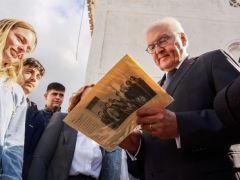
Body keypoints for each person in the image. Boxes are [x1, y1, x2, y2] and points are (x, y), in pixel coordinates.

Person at [120, 17, 240, 180]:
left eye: (163, 40)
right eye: (152, 47)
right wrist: (135, 147)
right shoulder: (149, 92)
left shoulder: (211, 61)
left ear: (182, 39)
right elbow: (147, 162)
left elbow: (235, 112)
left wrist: (181, 125)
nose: (158, 49)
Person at [28, 84, 129, 180]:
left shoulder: (104, 133)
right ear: (79, 101)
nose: (94, 99)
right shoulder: (61, 119)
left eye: (98, 97)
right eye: (89, 95)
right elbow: (40, 159)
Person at [0, 19, 37, 179]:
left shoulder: (14, 91)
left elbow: (12, 145)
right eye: (20, 39)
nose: (22, 50)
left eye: (28, 49)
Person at [17, 57, 45, 180]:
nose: (34, 78)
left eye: (38, 77)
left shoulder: (37, 117)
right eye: (29, 72)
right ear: (17, 71)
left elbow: (31, 155)